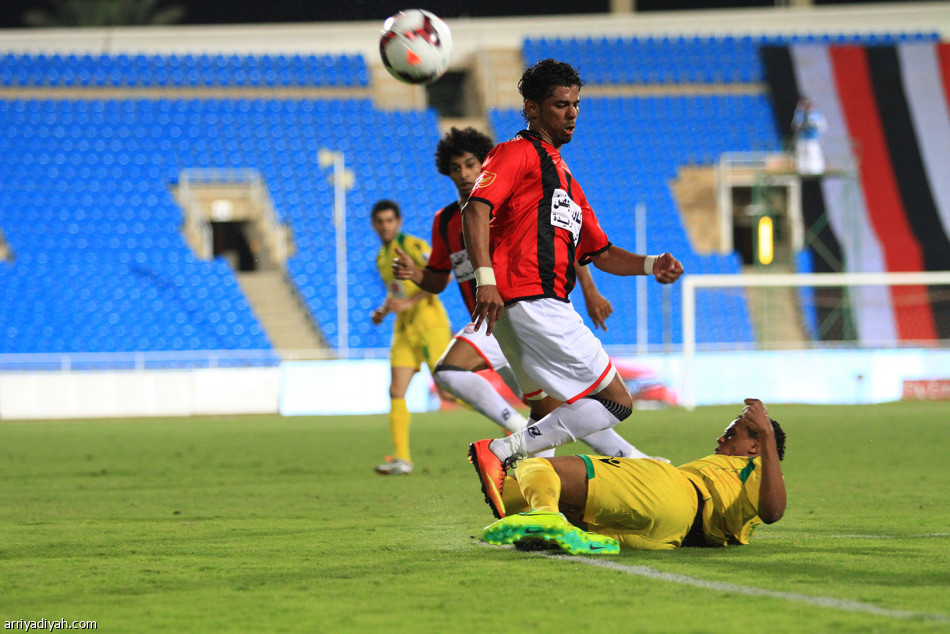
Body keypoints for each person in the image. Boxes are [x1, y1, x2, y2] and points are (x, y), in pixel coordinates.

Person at [460, 58, 685, 517]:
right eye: (561, 105)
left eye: (576, 104)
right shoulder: (516, 153)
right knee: (616, 400)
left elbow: (600, 253)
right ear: (532, 109)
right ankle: (502, 453)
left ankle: (539, 506)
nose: (572, 113)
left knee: (548, 412)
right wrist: (486, 280)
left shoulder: (566, 182)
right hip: (532, 301)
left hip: (524, 310)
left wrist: (649, 263)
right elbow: (474, 209)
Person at [392, 126, 659, 461]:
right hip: (493, 323)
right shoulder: (445, 221)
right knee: (555, 414)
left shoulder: (506, 204)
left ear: (486, 164)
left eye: (471, 164)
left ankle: (515, 441)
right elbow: (437, 278)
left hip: (513, 311)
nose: (464, 174)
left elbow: (564, 241)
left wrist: (590, 291)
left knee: (450, 371)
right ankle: (635, 462)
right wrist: (415, 274)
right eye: (455, 168)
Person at [482, 398, 787, 555]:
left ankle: (547, 516)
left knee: (537, 467)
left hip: (671, 490)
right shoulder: (742, 489)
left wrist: (769, 437)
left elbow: (774, 511)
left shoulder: (758, 470)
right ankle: (557, 530)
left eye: (731, 435)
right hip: (670, 538)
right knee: (511, 498)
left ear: (756, 446)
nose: (721, 441)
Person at [369, 199, 453, 475]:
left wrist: (409, 303)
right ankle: (402, 460)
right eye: (380, 221)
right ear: (374, 225)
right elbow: (398, 290)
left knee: (450, 390)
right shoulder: (381, 258)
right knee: (396, 391)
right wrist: (384, 310)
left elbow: (443, 277)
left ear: (399, 222)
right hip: (404, 330)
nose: (385, 226)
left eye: (389, 220)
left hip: (430, 325)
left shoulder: (414, 246)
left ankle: (511, 424)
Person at [791, 97, 827, 176]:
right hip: (802, 138)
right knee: (801, 154)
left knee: (813, 153)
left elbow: (822, 126)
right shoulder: (799, 114)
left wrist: (813, 125)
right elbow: (795, 125)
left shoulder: (816, 114)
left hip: (813, 138)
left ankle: (816, 170)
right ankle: (802, 170)